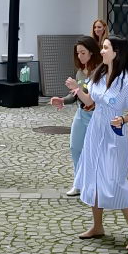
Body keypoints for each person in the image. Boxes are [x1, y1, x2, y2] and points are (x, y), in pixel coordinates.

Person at [66, 36, 128, 252]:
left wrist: (123, 119)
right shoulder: (99, 75)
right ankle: (97, 226)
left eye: (105, 48)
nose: (101, 51)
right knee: (93, 175)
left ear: (116, 52)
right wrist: (76, 90)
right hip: (95, 131)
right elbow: (90, 102)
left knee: (116, 181)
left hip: (114, 135)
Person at [50, 36, 102, 197]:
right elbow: (74, 94)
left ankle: (95, 183)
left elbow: (90, 98)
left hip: (96, 115)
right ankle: (78, 183)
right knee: (75, 147)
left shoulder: (99, 72)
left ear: (92, 52)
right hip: (81, 113)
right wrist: (63, 100)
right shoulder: (80, 72)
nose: (79, 56)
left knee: (94, 151)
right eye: (78, 53)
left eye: (83, 53)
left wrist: (77, 88)